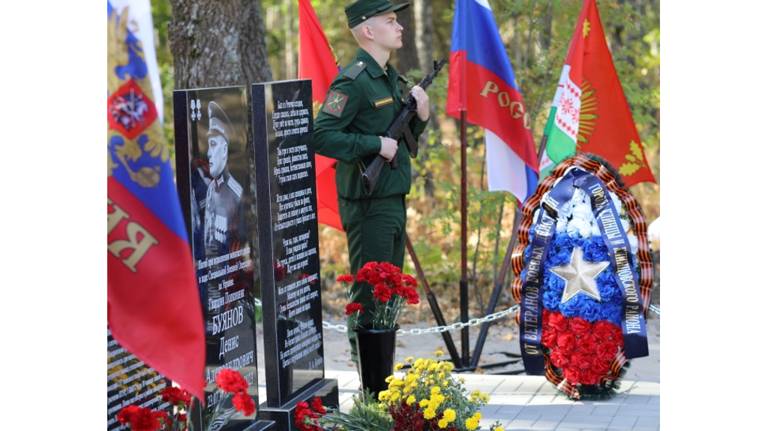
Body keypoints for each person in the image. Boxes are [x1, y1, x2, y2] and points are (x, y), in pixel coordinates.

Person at [311, 0, 431, 365]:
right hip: (367, 202)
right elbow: (320, 136)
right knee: (369, 290)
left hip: (392, 196)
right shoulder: (354, 81)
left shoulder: (391, 78)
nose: (400, 28)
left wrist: (421, 116)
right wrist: (373, 144)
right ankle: (368, 379)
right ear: (367, 31)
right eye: (391, 21)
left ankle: (382, 377)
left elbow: (404, 139)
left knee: (390, 289)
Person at [203, 100, 244, 258]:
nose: (208, 153)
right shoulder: (210, 189)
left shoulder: (237, 194)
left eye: (213, 145)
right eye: (208, 145)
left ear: (225, 150)